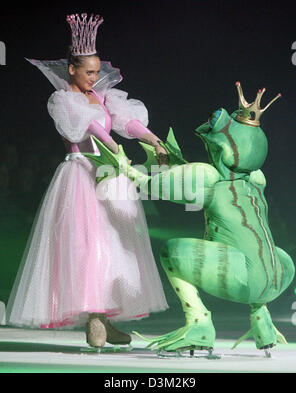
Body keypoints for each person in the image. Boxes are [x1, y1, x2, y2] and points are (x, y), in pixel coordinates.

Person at [6, 13, 168, 350]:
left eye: (97, 72)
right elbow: (88, 127)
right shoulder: (63, 100)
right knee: (87, 245)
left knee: (114, 245)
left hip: (108, 176)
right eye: (89, 72)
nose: (94, 78)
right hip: (80, 173)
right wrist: (113, 146)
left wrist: (153, 140)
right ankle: (93, 317)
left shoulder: (105, 97)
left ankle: (106, 318)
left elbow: (127, 124)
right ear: (72, 70)